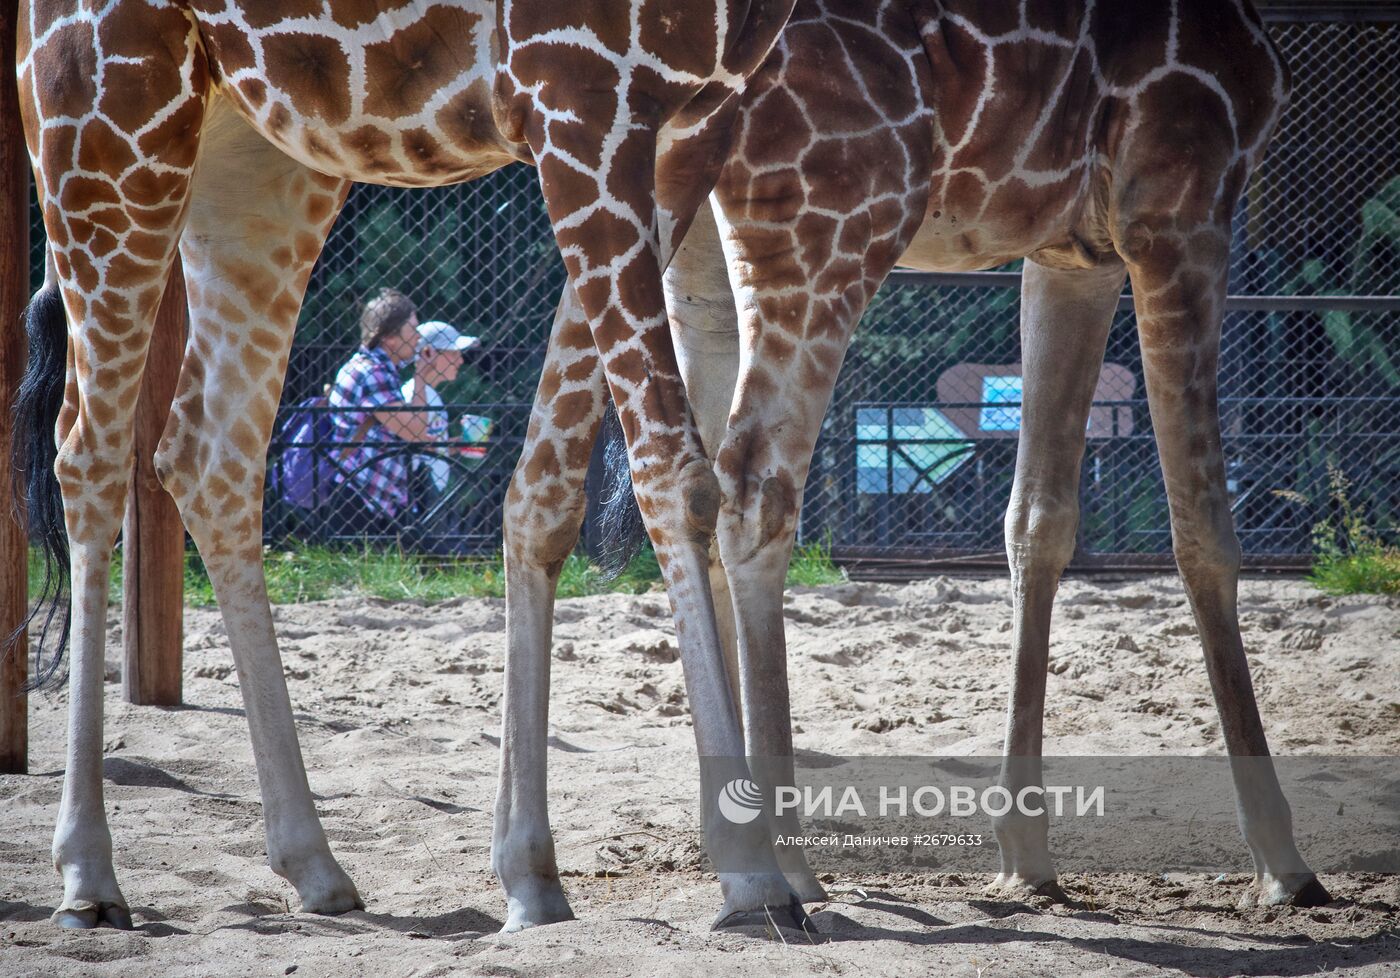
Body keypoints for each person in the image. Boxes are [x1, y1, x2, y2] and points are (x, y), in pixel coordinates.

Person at [326, 288, 436, 530]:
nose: (419, 337)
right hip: (360, 497)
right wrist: (420, 379)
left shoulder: (374, 367)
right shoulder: (374, 374)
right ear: (389, 338)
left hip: (369, 493)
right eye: (413, 329)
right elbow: (416, 430)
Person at [401, 320, 479, 496]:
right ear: (428, 353)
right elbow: (411, 444)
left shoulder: (430, 395)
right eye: (454, 353)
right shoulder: (413, 395)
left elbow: (427, 446)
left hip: (432, 492)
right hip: (420, 491)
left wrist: (455, 445)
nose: (460, 360)